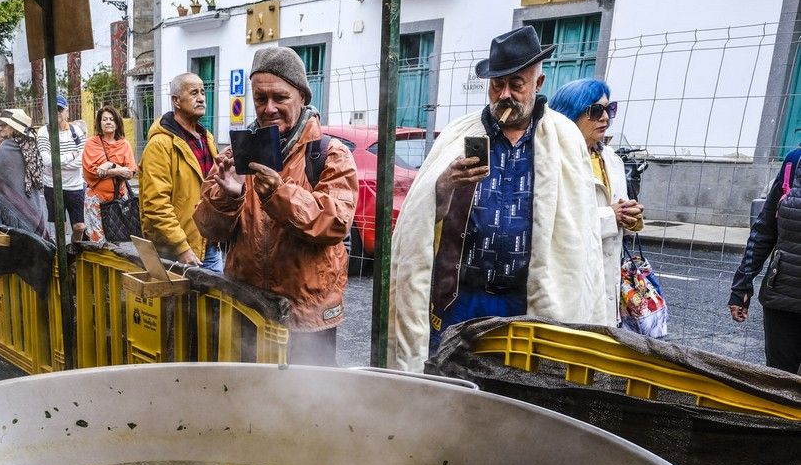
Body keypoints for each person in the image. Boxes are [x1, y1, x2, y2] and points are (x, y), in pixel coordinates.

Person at [388, 26, 608, 372]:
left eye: (516, 84)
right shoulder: (460, 133)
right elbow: (420, 216)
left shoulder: (564, 139)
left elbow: (579, 228)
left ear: (538, 84)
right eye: (496, 84)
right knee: (449, 388)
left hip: (526, 302)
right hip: (459, 299)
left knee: (521, 394)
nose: (505, 94)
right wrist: (445, 185)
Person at [194, 47, 357, 365]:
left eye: (279, 97)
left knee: (307, 406)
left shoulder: (329, 154)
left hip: (306, 319)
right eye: (260, 98)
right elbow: (206, 227)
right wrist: (228, 197)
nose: (268, 108)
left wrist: (278, 194)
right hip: (248, 310)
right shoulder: (237, 154)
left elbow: (336, 222)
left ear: (302, 97)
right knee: (250, 402)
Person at [549, 78, 645, 324]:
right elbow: (557, 222)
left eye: (609, 108)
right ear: (570, 115)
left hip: (608, 277)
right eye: (595, 110)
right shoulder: (554, 161)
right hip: (570, 279)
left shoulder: (612, 159)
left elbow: (618, 210)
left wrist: (631, 217)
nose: (605, 118)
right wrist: (611, 216)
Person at [728, 145, 801, 372]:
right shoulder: (794, 161)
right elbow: (765, 229)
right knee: (780, 385)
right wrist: (742, 285)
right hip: (783, 298)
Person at [140, 72, 221, 272]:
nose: (201, 98)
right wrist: (181, 247)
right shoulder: (160, 145)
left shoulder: (206, 138)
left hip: (209, 246)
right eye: (194, 93)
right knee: (182, 304)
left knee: (214, 303)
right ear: (176, 100)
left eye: (203, 92)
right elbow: (156, 204)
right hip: (177, 252)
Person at [0, 107, 51, 241]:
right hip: (33, 203)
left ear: (13, 128)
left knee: (13, 243)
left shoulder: (7, 146)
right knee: (31, 243)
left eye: (4, 125)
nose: (0, 128)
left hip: (11, 212)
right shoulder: (30, 144)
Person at [82, 105, 138, 245]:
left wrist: (109, 166)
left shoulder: (124, 144)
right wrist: (119, 170)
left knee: (118, 239)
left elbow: (130, 172)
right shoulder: (91, 143)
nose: (108, 122)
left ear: (117, 123)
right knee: (98, 244)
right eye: (104, 119)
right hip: (96, 200)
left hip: (119, 200)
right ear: (99, 123)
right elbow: (92, 171)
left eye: (112, 119)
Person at [35, 96, 87, 243]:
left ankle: (74, 252)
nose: (57, 113)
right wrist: (70, 155)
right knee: (60, 226)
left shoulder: (75, 131)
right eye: (53, 110)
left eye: (60, 109)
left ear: (66, 112)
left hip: (75, 185)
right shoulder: (43, 132)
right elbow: (46, 160)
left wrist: (58, 163)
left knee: (79, 226)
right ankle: (62, 256)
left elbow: (82, 159)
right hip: (52, 185)